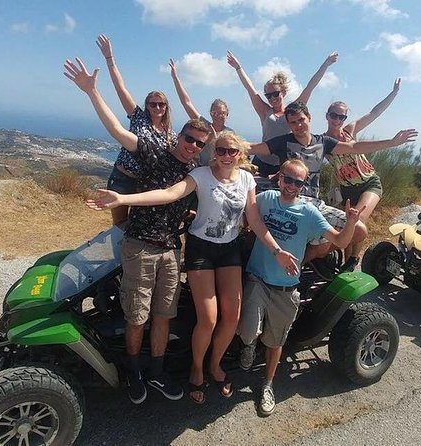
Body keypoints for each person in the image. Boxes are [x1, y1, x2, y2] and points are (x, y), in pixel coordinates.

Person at [89, 131, 297, 405]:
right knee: (209, 318)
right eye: (220, 150)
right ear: (213, 152)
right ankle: (197, 368)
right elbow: (168, 193)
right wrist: (123, 199)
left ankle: (215, 364)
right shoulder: (200, 174)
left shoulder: (246, 179)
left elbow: (255, 221)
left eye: (231, 151)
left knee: (231, 318)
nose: (225, 155)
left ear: (239, 155)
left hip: (229, 250)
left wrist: (277, 251)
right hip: (201, 249)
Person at [64, 56, 210, 404]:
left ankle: (156, 372)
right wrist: (91, 92)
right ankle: (133, 372)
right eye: (189, 138)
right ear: (181, 134)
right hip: (141, 246)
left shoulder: (195, 168)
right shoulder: (155, 151)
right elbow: (117, 130)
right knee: (137, 316)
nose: (192, 145)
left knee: (164, 316)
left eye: (198, 143)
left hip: (172, 250)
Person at [238, 159, 363, 416]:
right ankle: (248, 346)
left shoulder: (309, 213)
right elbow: (244, 215)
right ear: (279, 178)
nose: (292, 186)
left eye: (298, 182)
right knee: (249, 329)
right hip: (257, 278)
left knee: (275, 342)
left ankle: (268, 384)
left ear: (304, 185)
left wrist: (350, 223)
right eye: (288, 179)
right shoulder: (265, 199)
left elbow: (339, 240)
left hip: (285, 287)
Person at [247, 101, 417, 272]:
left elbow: (354, 147)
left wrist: (391, 142)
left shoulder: (323, 142)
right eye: (293, 122)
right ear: (288, 124)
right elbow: (252, 148)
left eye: (301, 120)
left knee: (358, 229)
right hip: (289, 201)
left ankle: (303, 262)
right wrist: (224, 147)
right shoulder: (282, 142)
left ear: (309, 118)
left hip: (313, 204)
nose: (298, 125)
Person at [97, 34, 177, 226]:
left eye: (161, 104)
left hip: (145, 184)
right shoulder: (138, 117)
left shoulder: (170, 136)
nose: (157, 108)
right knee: (120, 223)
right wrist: (110, 59)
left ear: (166, 107)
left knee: (137, 225)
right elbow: (120, 88)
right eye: (153, 104)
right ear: (147, 105)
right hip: (122, 178)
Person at [324, 78, 402, 270]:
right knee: (346, 229)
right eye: (334, 115)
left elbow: (374, 113)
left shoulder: (350, 131)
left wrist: (393, 94)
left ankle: (353, 259)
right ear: (327, 115)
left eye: (341, 117)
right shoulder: (323, 142)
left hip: (369, 183)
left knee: (356, 221)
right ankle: (345, 266)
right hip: (347, 189)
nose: (337, 120)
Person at [226, 49, 339, 177]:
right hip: (261, 162)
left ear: (283, 93)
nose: (272, 98)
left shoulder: (293, 112)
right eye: (268, 96)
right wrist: (238, 67)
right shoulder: (265, 111)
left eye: (275, 94)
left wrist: (326, 64)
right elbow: (249, 88)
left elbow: (310, 87)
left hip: (283, 164)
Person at [169, 59, 234, 166]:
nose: (218, 116)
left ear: (227, 114)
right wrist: (175, 77)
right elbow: (186, 103)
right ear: (210, 113)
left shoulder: (230, 133)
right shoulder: (204, 126)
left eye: (222, 113)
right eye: (215, 113)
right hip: (203, 171)